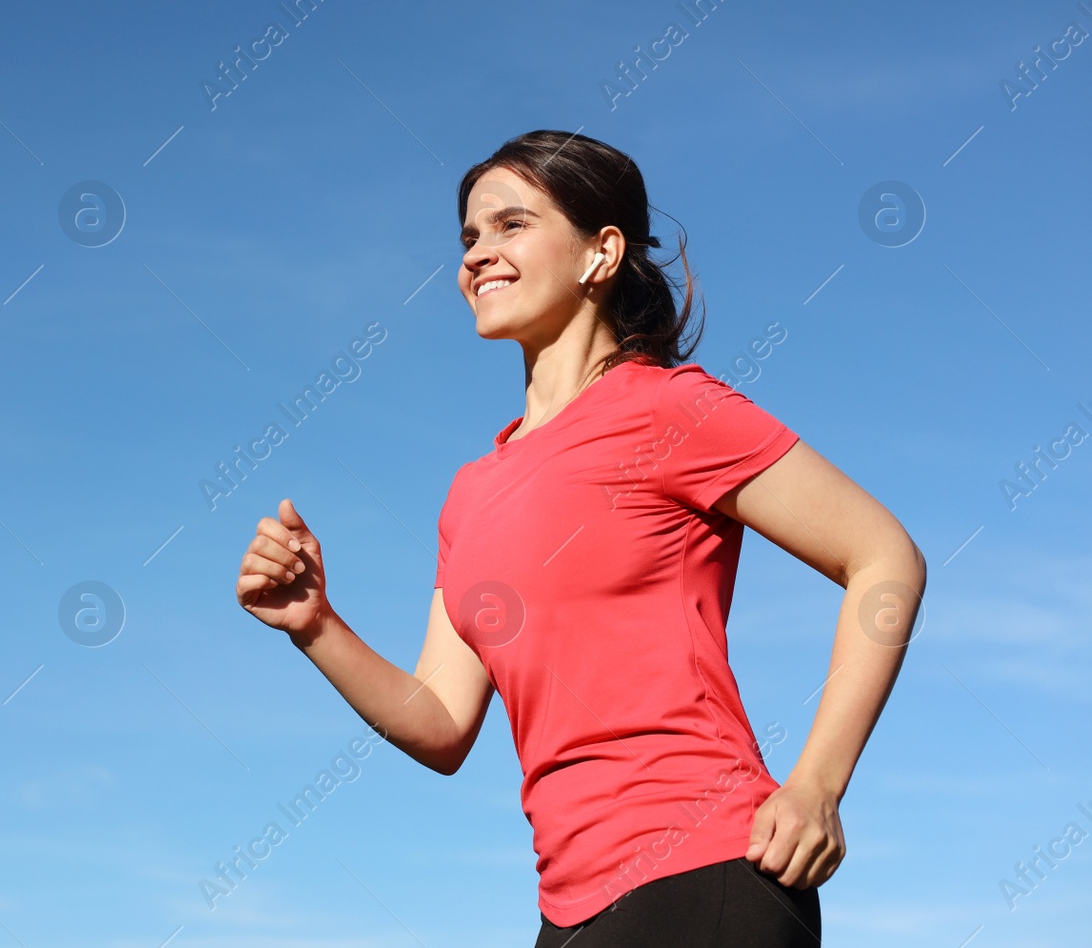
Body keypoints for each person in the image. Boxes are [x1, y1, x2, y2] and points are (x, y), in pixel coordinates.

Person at [234, 130, 927, 946]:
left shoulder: (670, 410)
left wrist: (816, 783)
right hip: (566, 906)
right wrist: (316, 624)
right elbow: (442, 720)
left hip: (705, 871)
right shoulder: (470, 494)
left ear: (601, 254)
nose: (477, 255)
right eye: (468, 236)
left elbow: (884, 553)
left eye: (510, 224)